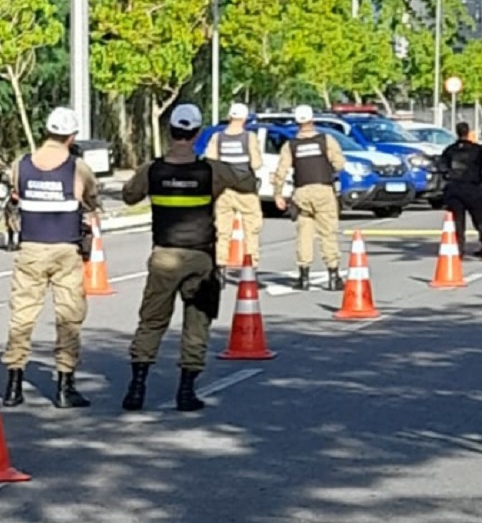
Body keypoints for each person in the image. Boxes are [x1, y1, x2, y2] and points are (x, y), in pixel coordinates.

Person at [120, 103, 258, 412]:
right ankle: (186, 392)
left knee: (151, 321)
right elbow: (248, 182)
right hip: (201, 259)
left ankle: (136, 388)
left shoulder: (152, 170)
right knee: (197, 323)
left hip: (163, 256)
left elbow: (128, 196)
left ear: (170, 132)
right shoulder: (212, 170)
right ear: (197, 134)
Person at [0, 106, 102, 409]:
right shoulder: (77, 167)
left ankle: (13, 386)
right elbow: (91, 198)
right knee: (68, 317)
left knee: (22, 315)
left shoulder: (21, 164)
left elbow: (15, 194)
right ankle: (64, 387)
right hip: (65, 250)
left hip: (30, 249)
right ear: (72, 136)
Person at [272, 105, 346, 291]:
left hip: (302, 192)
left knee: (304, 234)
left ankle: (303, 277)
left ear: (297, 122)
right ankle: (333, 276)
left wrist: (278, 194)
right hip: (323, 190)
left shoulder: (291, 145)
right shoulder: (326, 140)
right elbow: (339, 164)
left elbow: (281, 171)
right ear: (313, 120)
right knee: (328, 233)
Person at [203, 102, 263, 278]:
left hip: (224, 191)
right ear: (245, 119)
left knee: (223, 232)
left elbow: (210, 161)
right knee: (252, 230)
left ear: (229, 117)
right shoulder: (249, 137)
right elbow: (256, 163)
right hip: (246, 190)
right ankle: (250, 267)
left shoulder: (217, 137)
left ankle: (221, 267)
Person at [438, 121, 482, 257]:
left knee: (457, 222)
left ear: (456, 132)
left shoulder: (450, 150)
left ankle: (459, 249)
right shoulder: (476, 149)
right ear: (468, 132)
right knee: (480, 220)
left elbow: (442, 168)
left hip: (455, 188)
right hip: (472, 188)